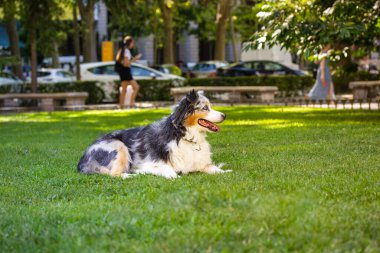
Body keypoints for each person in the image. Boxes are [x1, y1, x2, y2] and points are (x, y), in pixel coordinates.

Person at [115, 36, 141, 108]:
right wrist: (135, 59)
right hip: (126, 71)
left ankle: (121, 106)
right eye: (132, 42)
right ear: (129, 43)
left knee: (124, 90)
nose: (133, 44)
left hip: (123, 72)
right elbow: (126, 64)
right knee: (136, 87)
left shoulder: (123, 50)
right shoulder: (126, 51)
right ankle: (131, 103)